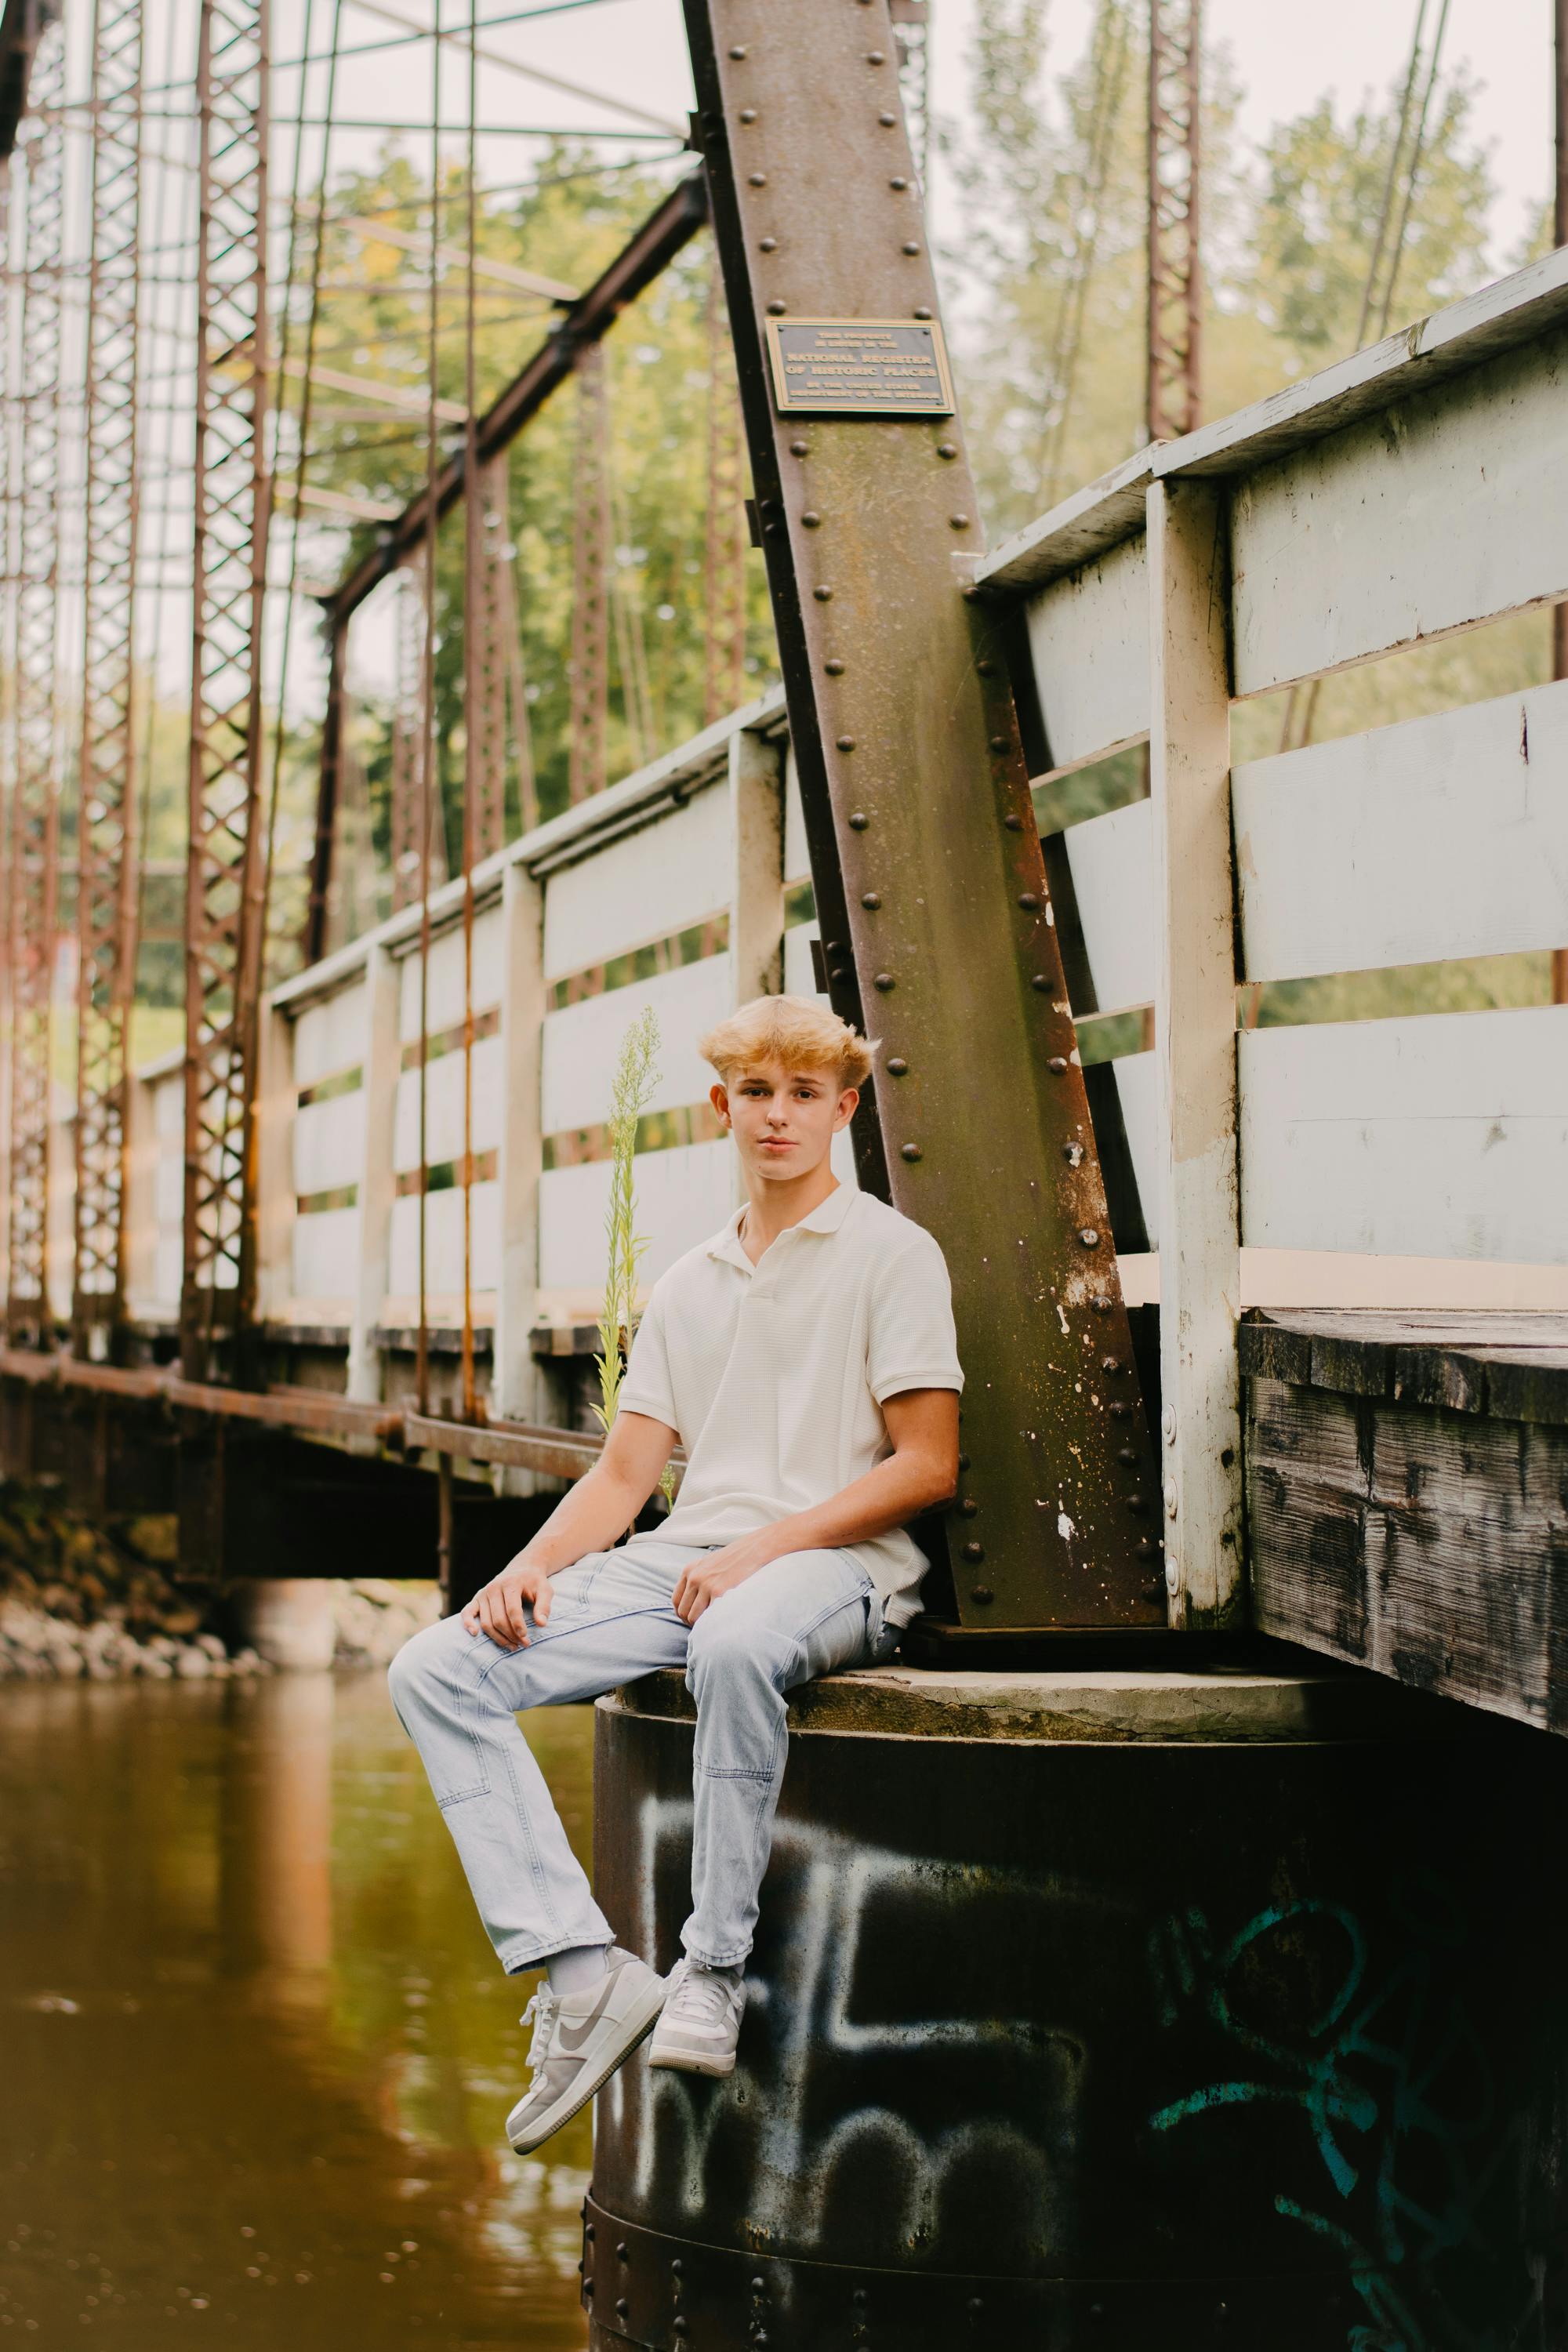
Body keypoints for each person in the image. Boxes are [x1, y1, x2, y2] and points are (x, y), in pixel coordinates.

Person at [388, 993, 962, 2152]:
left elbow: (928, 1466)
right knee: (434, 1668)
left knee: (736, 1642)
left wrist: (762, 1548)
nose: (779, 1116)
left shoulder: (892, 1255)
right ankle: (583, 1970)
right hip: (688, 1560)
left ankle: (710, 1967)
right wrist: (523, 1572)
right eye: (758, 1092)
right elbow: (621, 1475)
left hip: (837, 1565)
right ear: (723, 1107)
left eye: (806, 1095)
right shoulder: (692, 1282)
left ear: (844, 1110)